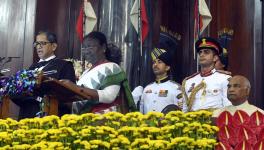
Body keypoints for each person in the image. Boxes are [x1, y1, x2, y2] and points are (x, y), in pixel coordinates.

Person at [60, 31, 136, 114]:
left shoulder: (112, 67)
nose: (86, 51)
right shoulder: (86, 72)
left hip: (104, 119)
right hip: (82, 119)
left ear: (103, 47)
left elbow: (109, 96)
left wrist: (75, 87)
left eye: (90, 47)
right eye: (84, 48)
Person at [15, 31, 76, 119]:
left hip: (50, 116)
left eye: (43, 43)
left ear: (54, 46)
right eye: (37, 43)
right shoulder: (32, 67)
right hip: (27, 115)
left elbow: (68, 95)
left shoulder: (64, 65)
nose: (39, 46)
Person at [182, 37, 232, 112]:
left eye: (206, 52)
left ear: (215, 58)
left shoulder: (224, 79)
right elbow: (185, 110)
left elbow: (228, 107)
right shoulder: (188, 81)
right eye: (200, 52)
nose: (202, 55)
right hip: (192, 122)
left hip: (214, 122)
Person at [139, 48, 182, 114]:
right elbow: (141, 113)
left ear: (167, 67)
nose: (155, 65)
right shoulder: (147, 88)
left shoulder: (176, 88)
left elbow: (180, 112)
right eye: (154, 62)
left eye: (159, 62)